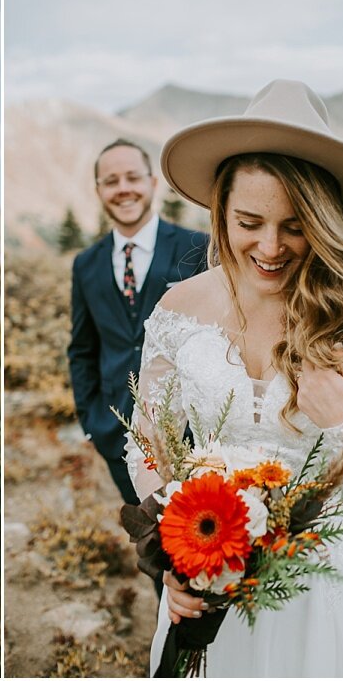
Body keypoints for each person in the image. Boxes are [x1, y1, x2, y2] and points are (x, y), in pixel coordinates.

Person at [126, 79, 343, 676]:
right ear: (220, 214)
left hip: (332, 585)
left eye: (294, 226)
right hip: (210, 572)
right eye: (249, 221)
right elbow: (147, 446)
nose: (269, 247)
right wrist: (172, 555)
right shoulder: (177, 311)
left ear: (323, 224)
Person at [69, 138, 209, 505]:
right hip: (117, 437)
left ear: (152, 183)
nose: (123, 189)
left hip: (195, 438)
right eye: (111, 181)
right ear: (99, 190)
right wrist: (93, 424)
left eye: (133, 177)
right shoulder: (86, 265)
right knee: (150, 545)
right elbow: (82, 349)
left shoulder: (198, 247)